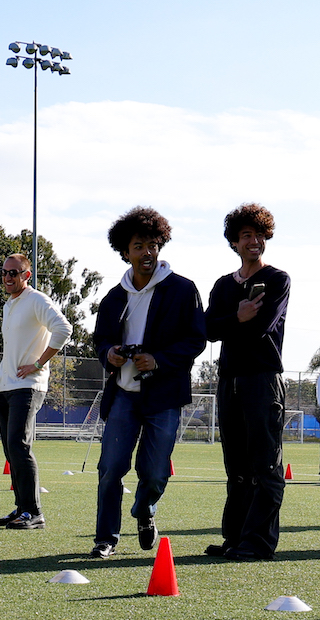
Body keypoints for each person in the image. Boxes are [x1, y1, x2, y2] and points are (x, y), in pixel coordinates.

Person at [90, 207, 206, 558]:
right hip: (124, 394)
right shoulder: (113, 297)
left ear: (161, 247)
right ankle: (105, 539)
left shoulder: (183, 290)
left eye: (153, 245)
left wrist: (159, 360)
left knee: (155, 473)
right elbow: (100, 341)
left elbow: (195, 340)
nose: (147, 253)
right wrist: (109, 353)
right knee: (110, 468)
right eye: (138, 246)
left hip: (164, 395)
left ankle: (144, 510)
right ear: (125, 252)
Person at [203, 203, 289, 561]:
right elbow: (206, 330)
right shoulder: (224, 285)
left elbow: (261, 328)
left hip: (263, 381)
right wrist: (236, 316)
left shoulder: (277, 279)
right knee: (236, 468)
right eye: (245, 236)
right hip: (229, 381)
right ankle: (235, 539)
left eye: (258, 235)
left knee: (265, 466)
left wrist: (233, 322)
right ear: (234, 242)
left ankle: (258, 543)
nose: (254, 242)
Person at [0, 253, 71, 530]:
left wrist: (38, 363)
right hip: (5, 387)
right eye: (4, 272)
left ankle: (34, 513)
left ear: (26, 275)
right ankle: (21, 508)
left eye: (14, 272)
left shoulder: (37, 300)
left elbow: (63, 329)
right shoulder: (8, 305)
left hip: (28, 386)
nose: (8, 277)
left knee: (19, 446)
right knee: (10, 450)